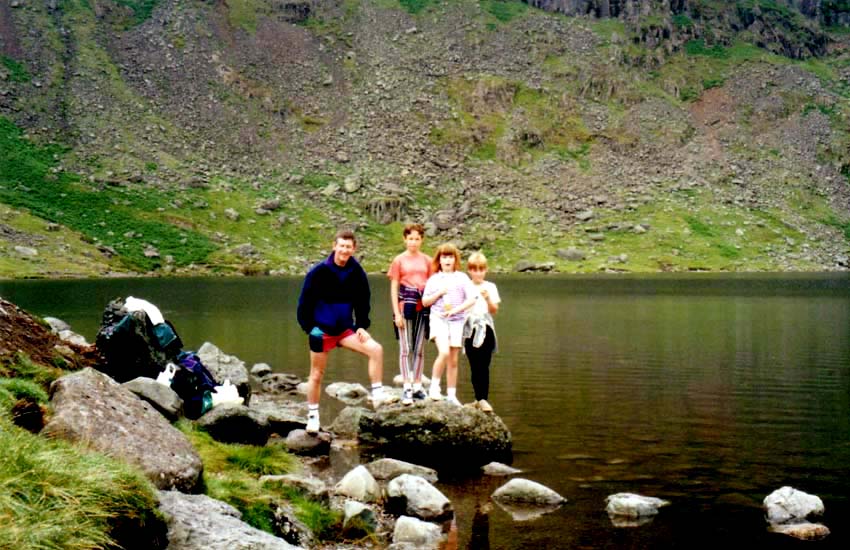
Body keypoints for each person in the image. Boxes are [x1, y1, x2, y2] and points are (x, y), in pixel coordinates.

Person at [297, 229, 387, 434]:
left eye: (349, 247)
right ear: (334, 246)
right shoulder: (318, 272)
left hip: (346, 330)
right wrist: (310, 328)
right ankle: (312, 416)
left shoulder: (357, 273)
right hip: (322, 330)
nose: (345, 250)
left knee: (376, 350)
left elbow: (363, 302)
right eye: (341, 246)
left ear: (354, 249)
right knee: (317, 374)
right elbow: (304, 303)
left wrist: (362, 326)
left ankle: (378, 396)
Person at [422, 243, 477, 406]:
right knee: (444, 352)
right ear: (439, 259)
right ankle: (434, 387)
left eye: (450, 257)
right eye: (444, 257)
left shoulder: (462, 277)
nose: (447, 260)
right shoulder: (434, 279)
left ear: (455, 259)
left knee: (453, 360)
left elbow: (472, 298)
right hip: (438, 319)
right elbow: (425, 302)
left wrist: (456, 310)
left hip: (457, 321)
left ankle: (452, 395)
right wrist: (439, 293)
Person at [388, 223, 434, 405]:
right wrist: (396, 313)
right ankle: (406, 385)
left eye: (417, 239)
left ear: (422, 240)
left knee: (419, 348)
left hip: (422, 306)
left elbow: (432, 285)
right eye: (410, 238)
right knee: (406, 348)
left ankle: (417, 384)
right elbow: (394, 287)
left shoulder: (428, 261)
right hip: (404, 305)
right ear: (404, 239)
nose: (413, 242)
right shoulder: (398, 260)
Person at [462, 252, 501, 413]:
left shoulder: (490, 286)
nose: (478, 273)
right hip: (470, 329)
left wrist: (487, 299)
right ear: (469, 270)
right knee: (474, 365)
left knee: (484, 365)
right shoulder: (465, 286)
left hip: (486, 328)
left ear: (485, 270)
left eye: (481, 269)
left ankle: (483, 398)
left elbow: (494, 310)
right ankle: (477, 398)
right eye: (474, 269)